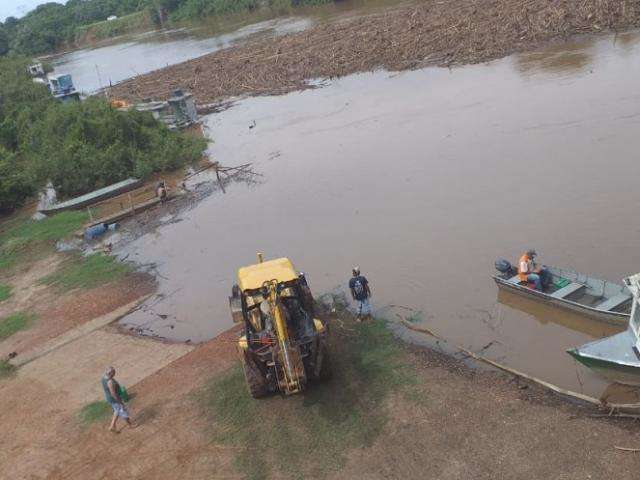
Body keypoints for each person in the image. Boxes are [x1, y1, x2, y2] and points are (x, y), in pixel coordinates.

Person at [101, 366, 135, 432]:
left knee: (117, 410)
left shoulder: (103, 377)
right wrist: (120, 402)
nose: (114, 374)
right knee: (123, 411)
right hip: (114, 399)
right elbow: (113, 394)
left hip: (109, 398)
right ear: (110, 373)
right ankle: (130, 425)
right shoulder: (110, 382)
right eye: (113, 372)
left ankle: (112, 426)